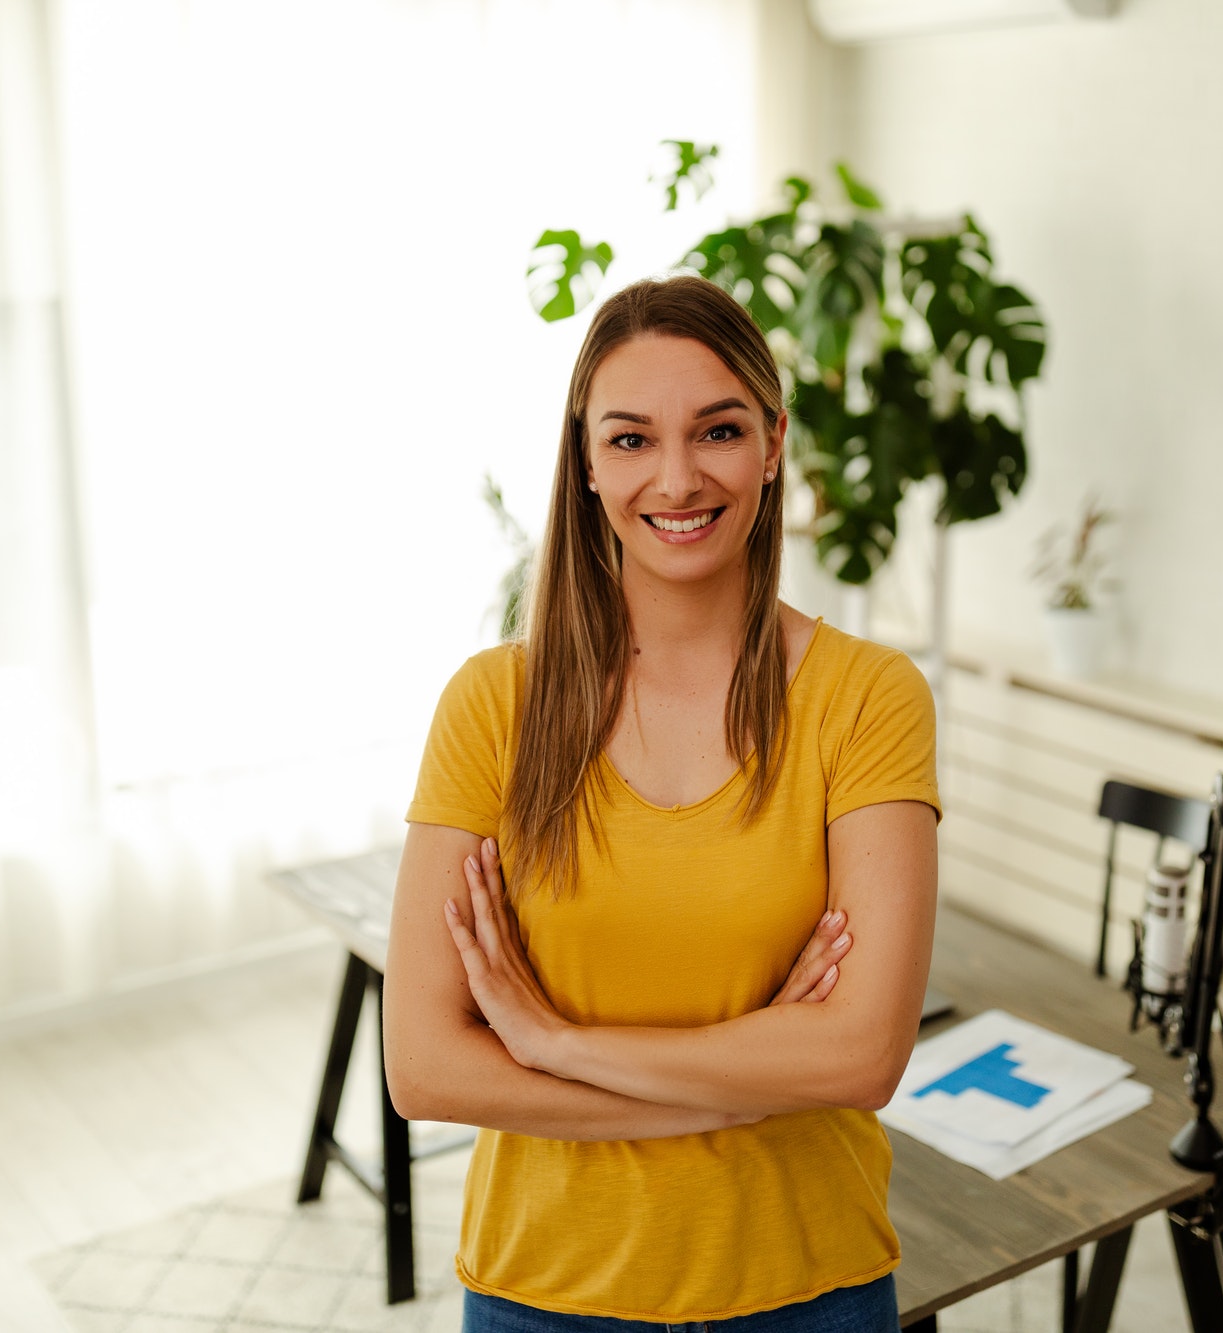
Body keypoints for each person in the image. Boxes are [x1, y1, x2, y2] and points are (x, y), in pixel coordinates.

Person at [382, 274, 940, 1333]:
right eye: (631, 439)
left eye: (717, 430)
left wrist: (551, 1042)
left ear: (772, 443)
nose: (677, 478)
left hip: (804, 1284)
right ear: (586, 463)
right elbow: (424, 1064)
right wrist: (744, 1078)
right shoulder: (491, 705)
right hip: (543, 1290)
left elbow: (861, 1055)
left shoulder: (866, 698)